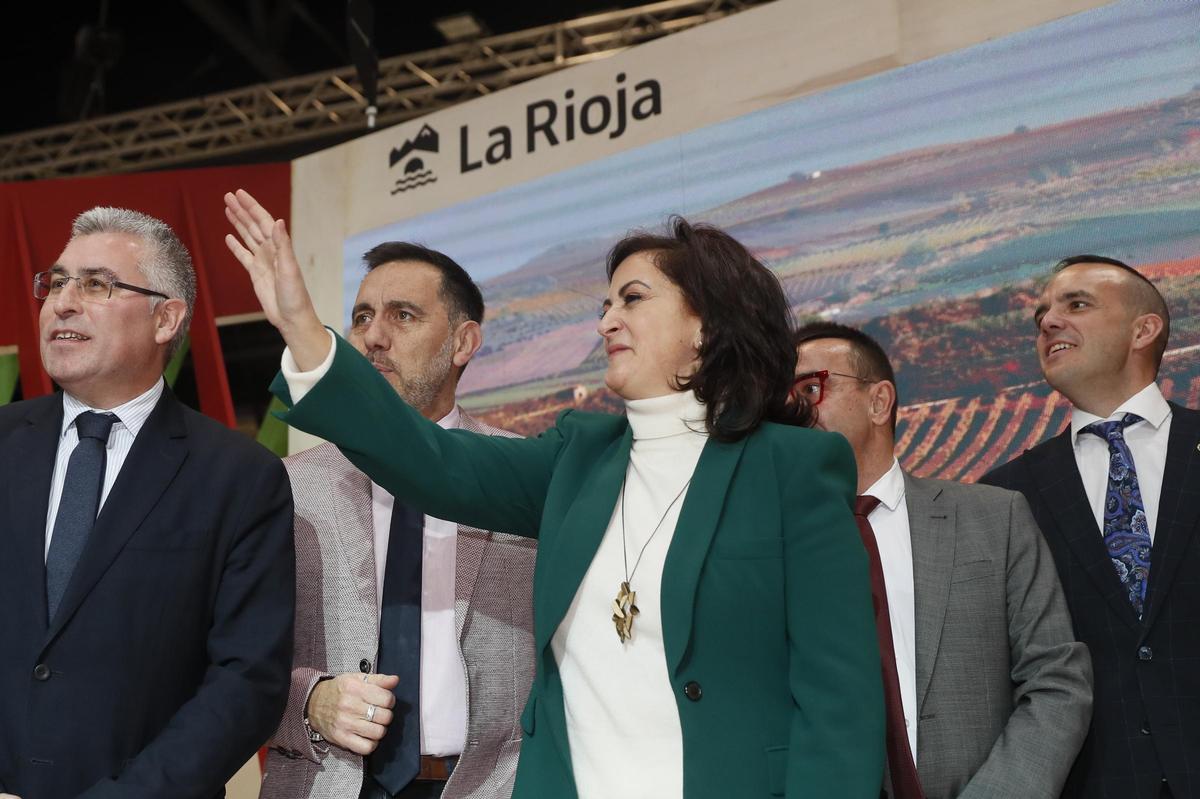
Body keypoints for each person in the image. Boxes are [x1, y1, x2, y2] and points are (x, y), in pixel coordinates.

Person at [224, 188, 885, 799]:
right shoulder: (578, 457)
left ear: (704, 328)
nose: (606, 322)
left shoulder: (791, 468)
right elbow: (426, 458)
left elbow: (839, 708)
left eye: (632, 299)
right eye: (605, 305)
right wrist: (306, 332)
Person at [0, 207, 294, 799]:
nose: (62, 303)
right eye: (55, 283)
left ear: (166, 318)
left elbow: (246, 683)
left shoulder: (238, 477)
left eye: (96, 284)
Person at [259, 241, 535, 799]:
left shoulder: (526, 477)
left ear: (464, 342)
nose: (373, 337)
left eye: (402, 315)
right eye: (362, 317)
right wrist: (309, 702)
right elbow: (229, 660)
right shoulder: (286, 488)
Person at [793, 321, 1093, 798]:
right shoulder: (772, 548)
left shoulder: (995, 517)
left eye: (812, 387)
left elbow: (1056, 678)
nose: (796, 409)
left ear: (879, 401)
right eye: (783, 400)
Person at [982, 256, 1199, 799]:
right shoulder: (1003, 496)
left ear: (1143, 330)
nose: (1049, 322)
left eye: (1076, 305)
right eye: (1042, 316)